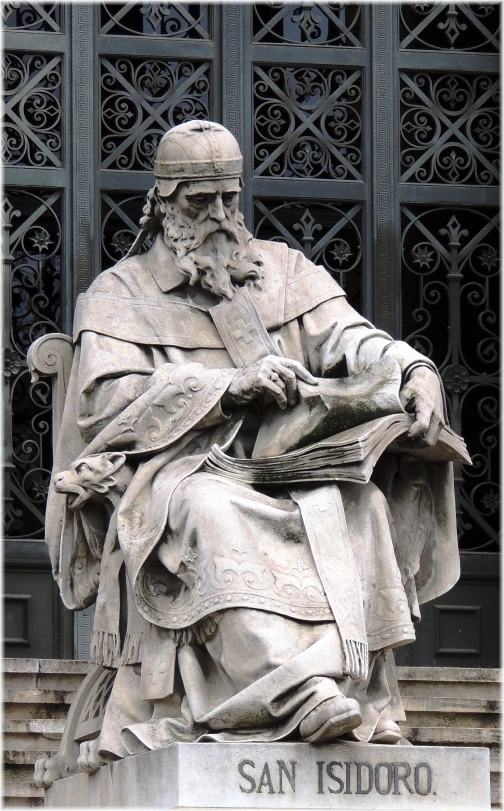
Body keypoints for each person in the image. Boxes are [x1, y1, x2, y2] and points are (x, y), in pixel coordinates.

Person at [45, 121, 459, 768]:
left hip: (293, 468)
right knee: (212, 510)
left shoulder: (284, 273)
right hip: (184, 469)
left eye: (228, 200)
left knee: (364, 508)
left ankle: (359, 696)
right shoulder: (120, 295)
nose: (216, 218)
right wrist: (227, 387)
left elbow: (355, 338)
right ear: (161, 203)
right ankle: (292, 691)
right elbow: (103, 406)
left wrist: (414, 372)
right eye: (197, 202)